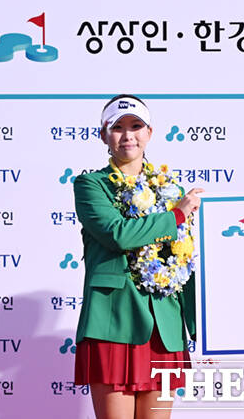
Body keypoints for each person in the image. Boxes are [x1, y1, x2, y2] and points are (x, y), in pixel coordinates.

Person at [73, 94, 203, 419]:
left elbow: (186, 262)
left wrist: (202, 329)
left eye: (135, 126)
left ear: (149, 133)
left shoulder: (172, 191)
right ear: (104, 135)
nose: (127, 135)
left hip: (164, 327)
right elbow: (117, 233)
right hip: (114, 322)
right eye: (117, 127)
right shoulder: (91, 186)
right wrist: (176, 216)